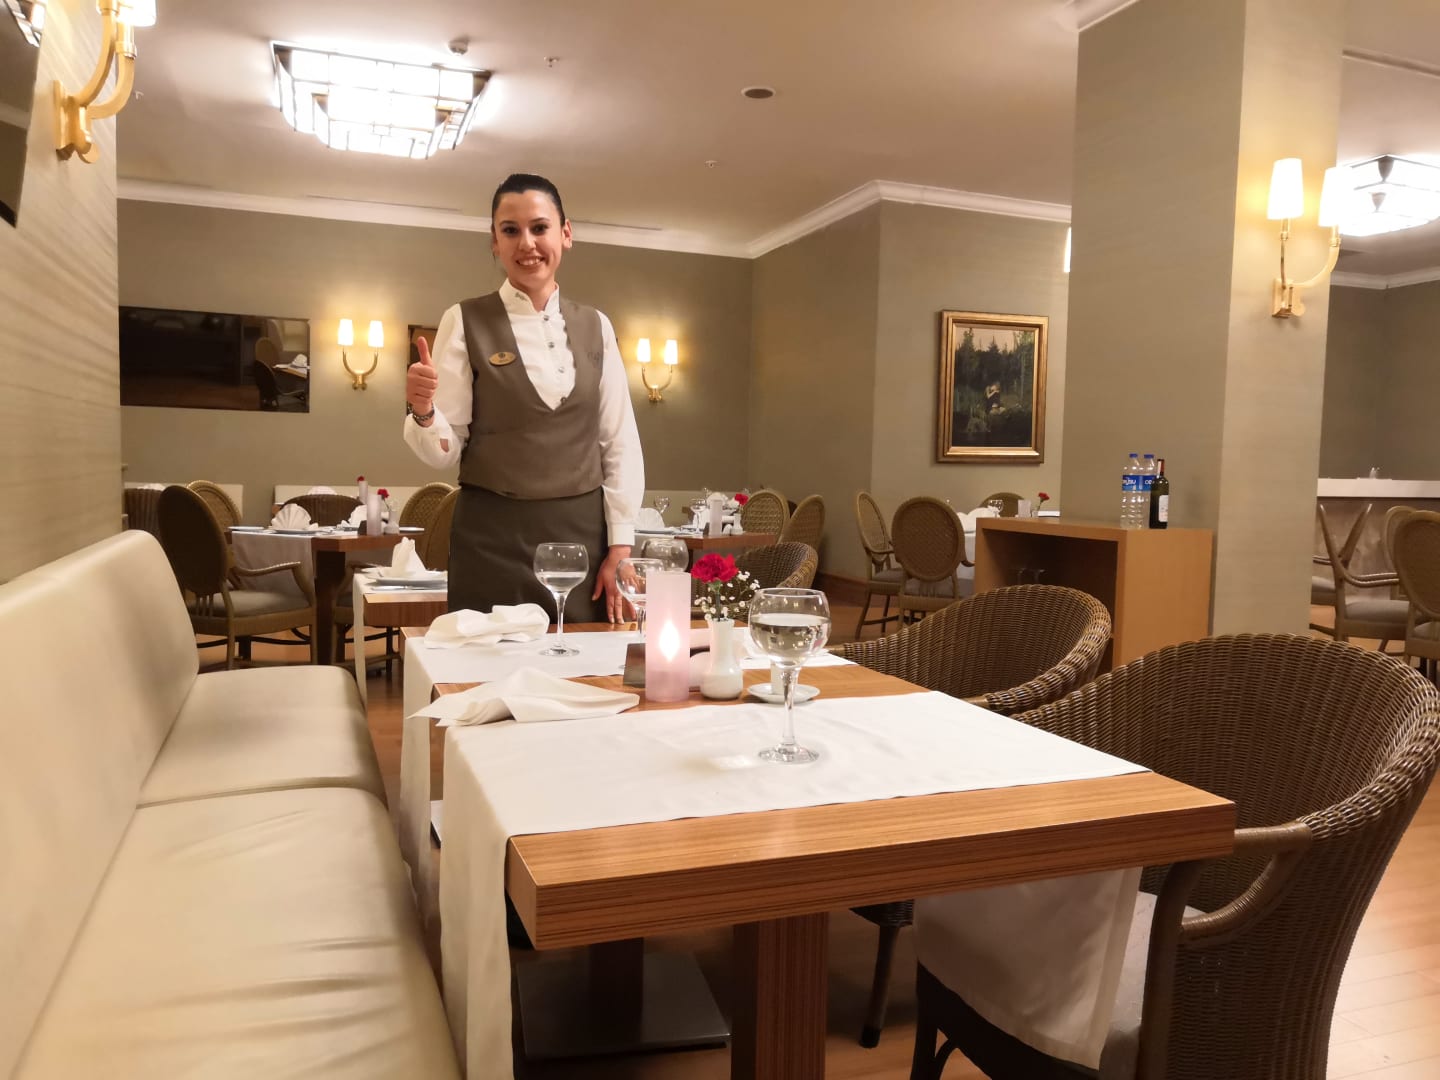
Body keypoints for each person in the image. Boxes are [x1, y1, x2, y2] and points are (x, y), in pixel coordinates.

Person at [403, 173, 643, 623]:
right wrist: (423, 412)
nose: (526, 243)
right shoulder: (464, 320)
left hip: (581, 539)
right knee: (486, 661)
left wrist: (620, 548)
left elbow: (619, 442)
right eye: (510, 230)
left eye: (539, 227)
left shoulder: (597, 326)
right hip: (491, 538)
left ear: (565, 234)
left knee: (581, 661)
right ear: (494, 242)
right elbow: (445, 451)